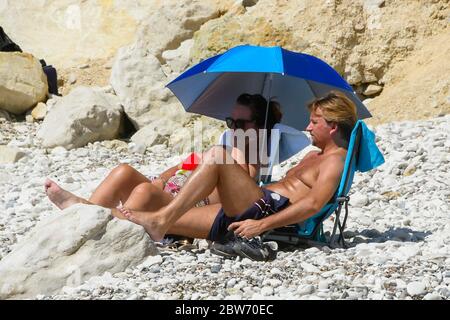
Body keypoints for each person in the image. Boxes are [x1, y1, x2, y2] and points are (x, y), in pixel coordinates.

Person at [118, 91, 357, 261]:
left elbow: (313, 203)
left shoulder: (334, 161)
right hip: (252, 205)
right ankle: (86, 210)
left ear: (333, 126)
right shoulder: (314, 156)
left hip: (263, 213)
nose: (308, 127)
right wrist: (163, 177)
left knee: (214, 156)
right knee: (145, 214)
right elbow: (190, 160)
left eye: (314, 122)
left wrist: (262, 225)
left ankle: (160, 221)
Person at [44, 93, 282, 222]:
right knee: (123, 171)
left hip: (182, 208)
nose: (233, 128)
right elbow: (187, 163)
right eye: (231, 122)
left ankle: (91, 215)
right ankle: (83, 218)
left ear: (259, 126)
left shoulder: (252, 159)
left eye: (241, 123)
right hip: (167, 191)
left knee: (142, 192)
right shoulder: (225, 146)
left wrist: (245, 140)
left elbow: (246, 181)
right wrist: (161, 178)